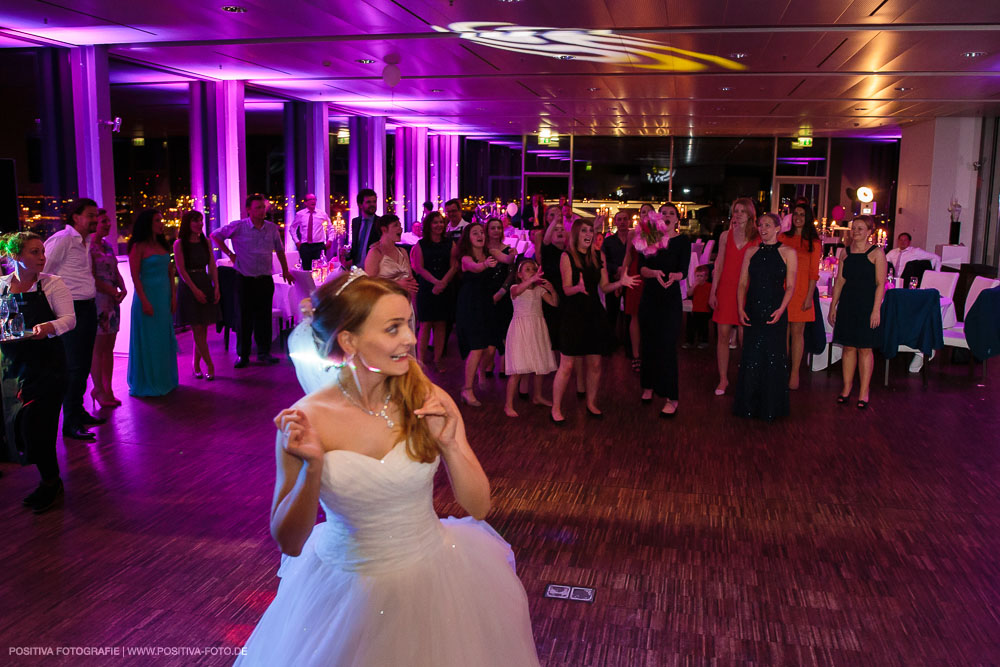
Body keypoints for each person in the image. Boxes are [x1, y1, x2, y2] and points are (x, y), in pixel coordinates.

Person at [236, 271, 540, 667]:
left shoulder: (427, 396)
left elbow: (479, 507)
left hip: (432, 576)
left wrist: (449, 445)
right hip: (342, 587)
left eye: (409, 325)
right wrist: (312, 469)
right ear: (349, 340)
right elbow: (289, 541)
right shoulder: (305, 421)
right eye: (394, 328)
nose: (411, 339)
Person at [0, 232, 75, 513]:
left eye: (42, 251)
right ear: (16, 256)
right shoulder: (2, 286)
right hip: (12, 366)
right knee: (20, 427)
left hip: (47, 366)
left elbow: (70, 319)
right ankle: (47, 481)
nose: (42, 257)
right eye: (34, 252)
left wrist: (48, 328)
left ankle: (51, 482)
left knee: (39, 427)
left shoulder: (52, 284)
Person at [550, 219, 637, 424]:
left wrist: (620, 283)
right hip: (573, 313)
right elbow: (566, 289)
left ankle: (591, 403)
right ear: (576, 234)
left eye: (591, 231)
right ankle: (555, 408)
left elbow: (605, 286)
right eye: (584, 231)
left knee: (596, 364)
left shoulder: (599, 256)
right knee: (567, 364)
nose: (589, 234)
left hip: (594, 313)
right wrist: (577, 289)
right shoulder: (567, 256)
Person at [43, 198, 105, 441]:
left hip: (86, 307)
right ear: (75, 217)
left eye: (95, 216)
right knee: (73, 366)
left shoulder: (84, 241)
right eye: (90, 215)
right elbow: (42, 271)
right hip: (71, 308)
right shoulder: (62, 240)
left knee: (82, 364)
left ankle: (78, 413)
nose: (94, 220)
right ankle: (70, 423)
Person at [211, 194, 293, 368]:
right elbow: (215, 235)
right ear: (248, 210)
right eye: (258, 208)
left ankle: (264, 352)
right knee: (244, 318)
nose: (262, 211)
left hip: (264, 278)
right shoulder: (239, 227)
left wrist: (285, 269)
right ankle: (243, 355)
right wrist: (231, 254)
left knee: (264, 317)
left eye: (263, 207)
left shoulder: (271, 228)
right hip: (244, 279)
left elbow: (279, 249)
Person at [733, 213, 798, 421]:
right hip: (753, 308)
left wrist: (781, 309)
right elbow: (742, 283)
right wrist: (740, 307)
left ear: (778, 228)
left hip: (775, 310)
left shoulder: (788, 252)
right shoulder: (751, 251)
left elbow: (791, 286)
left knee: (773, 357)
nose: (763, 229)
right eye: (761, 225)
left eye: (768, 225)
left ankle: (771, 407)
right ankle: (749, 405)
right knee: (751, 357)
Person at [636, 205, 690, 417]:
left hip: (670, 298)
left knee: (667, 347)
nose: (667, 216)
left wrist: (673, 276)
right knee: (648, 343)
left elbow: (683, 271)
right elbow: (641, 268)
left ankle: (671, 397)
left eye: (671, 214)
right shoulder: (650, 238)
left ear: (677, 219)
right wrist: (653, 272)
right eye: (664, 213)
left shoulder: (682, 241)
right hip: (650, 296)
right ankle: (648, 386)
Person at [828, 215, 887, 409]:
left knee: (865, 348)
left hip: (867, 305)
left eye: (861, 229)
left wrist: (876, 310)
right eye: (854, 228)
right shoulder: (845, 253)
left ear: (869, 232)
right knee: (848, 347)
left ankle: (864, 391)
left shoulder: (877, 253)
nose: (856, 232)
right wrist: (833, 306)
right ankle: (846, 388)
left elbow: (881, 284)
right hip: (848, 304)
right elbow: (840, 282)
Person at [709, 198, 759, 396]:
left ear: (750, 214)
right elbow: (719, 264)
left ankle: (745, 376)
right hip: (726, 288)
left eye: (742, 211)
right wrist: (713, 291)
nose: (737, 214)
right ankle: (723, 378)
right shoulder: (725, 236)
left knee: (744, 336)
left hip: (747, 290)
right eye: (735, 210)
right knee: (722, 335)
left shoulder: (758, 237)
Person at [127, 209, 178, 397]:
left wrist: (173, 296)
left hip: (163, 296)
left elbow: (170, 272)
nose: (161, 223)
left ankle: (165, 378)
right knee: (149, 340)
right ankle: (149, 381)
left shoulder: (163, 244)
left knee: (163, 339)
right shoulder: (138, 246)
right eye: (157, 220)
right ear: (148, 223)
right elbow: (135, 276)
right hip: (146, 297)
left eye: (161, 220)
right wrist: (144, 301)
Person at [502, 258, 558, 417]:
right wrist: (533, 280)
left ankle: (538, 396)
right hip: (521, 329)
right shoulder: (515, 287)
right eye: (527, 269)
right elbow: (516, 292)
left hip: (537, 327)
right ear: (519, 274)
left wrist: (552, 290)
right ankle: (508, 404)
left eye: (534, 269)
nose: (532, 272)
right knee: (518, 369)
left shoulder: (539, 290)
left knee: (540, 366)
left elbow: (554, 303)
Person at [454, 223, 500, 407]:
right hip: (470, 304)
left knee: (491, 348)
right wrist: (485, 264)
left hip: (486, 303)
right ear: (468, 238)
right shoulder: (466, 258)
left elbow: (506, 259)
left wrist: (512, 254)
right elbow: (475, 268)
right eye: (475, 233)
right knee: (477, 348)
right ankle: (467, 389)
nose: (480, 235)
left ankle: (481, 371)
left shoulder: (490, 253)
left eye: (481, 232)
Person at [174, 210, 221, 380]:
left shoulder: (205, 242)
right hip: (189, 286)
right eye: (195, 221)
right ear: (188, 223)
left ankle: (195, 364)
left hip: (204, 281)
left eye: (201, 220)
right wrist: (194, 290)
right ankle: (210, 364)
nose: (199, 223)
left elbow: (212, 265)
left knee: (202, 328)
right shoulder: (179, 243)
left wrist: (216, 287)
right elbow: (181, 270)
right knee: (197, 327)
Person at [780, 202, 822, 390]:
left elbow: (814, 273)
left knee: (797, 333)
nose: (798, 217)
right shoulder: (782, 238)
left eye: (802, 214)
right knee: (782, 333)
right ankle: (780, 369)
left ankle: (794, 372)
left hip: (802, 290)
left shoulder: (814, 242)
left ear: (808, 218)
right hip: (781, 290)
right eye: (795, 214)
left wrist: (809, 296)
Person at [410, 211, 457, 372]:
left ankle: (438, 359)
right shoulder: (420, 244)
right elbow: (419, 268)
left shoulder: (450, 243)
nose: (439, 225)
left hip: (445, 286)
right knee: (425, 324)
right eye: (435, 222)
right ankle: (420, 360)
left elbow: (454, 265)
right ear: (429, 225)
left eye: (441, 222)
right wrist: (436, 282)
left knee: (441, 324)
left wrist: (443, 282)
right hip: (427, 287)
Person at [89, 208, 126, 408]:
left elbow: (115, 269)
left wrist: (123, 287)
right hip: (99, 300)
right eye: (104, 221)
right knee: (98, 347)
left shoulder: (108, 246)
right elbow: (92, 277)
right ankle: (98, 389)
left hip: (112, 299)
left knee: (109, 347)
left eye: (109, 221)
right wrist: (112, 291)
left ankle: (108, 388)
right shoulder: (89, 249)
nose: (108, 224)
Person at [480, 217, 516, 377]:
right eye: (493, 228)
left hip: (503, 294)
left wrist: (502, 291)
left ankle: (503, 366)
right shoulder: (482, 250)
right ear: (487, 230)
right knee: (488, 331)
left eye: (499, 228)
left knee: (504, 331)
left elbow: (511, 273)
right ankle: (488, 364)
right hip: (486, 294)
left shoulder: (508, 250)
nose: (496, 231)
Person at [622, 204, 654, 371]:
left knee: (651, 317)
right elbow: (628, 255)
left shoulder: (658, 233)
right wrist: (623, 277)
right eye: (643, 212)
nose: (646, 214)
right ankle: (636, 355)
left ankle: (650, 355)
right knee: (634, 315)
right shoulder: (633, 233)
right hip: (635, 275)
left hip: (652, 276)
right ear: (640, 215)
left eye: (649, 212)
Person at [363, 214, 418, 295]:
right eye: (396, 225)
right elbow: (370, 283)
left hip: (404, 300)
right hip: (385, 300)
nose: (401, 228)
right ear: (384, 229)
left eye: (400, 225)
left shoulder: (403, 252)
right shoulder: (375, 253)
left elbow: (411, 280)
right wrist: (396, 284)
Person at [601, 210, 631, 342]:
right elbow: (603, 261)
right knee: (612, 312)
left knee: (630, 313)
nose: (623, 222)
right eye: (620, 219)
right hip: (613, 279)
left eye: (625, 219)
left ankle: (628, 340)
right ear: (615, 222)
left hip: (631, 279)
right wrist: (617, 269)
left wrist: (625, 269)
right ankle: (610, 342)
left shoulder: (635, 239)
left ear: (629, 221)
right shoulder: (609, 241)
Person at [288, 193, 331, 270]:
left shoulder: (322, 214)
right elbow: (292, 228)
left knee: (320, 269)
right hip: (305, 247)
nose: (313, 201)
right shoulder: (300, 214)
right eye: (310, 199)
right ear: (305, 202)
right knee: (306, 271)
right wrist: (297, 241)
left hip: (319, 246)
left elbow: (331, 228)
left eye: (314, 199)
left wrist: (330, 240)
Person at [344, 188, 381, 269]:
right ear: (360, 205)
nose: (372, 204)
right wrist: (347, 256)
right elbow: (356, 245)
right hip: (356, 269)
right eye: (368, 202)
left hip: (373, 268)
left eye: (374, 201)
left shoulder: (381, 223)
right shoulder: (355, 222)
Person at [684, 265, 713, 349]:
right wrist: (693, 286)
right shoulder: (695, 286)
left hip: (705, 310)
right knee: (691, 325)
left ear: (706, 277)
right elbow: (689, 294)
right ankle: (689, 341)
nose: (699, 278)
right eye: (697, 276)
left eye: (701, 276)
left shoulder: (709, 286)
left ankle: (704, 341)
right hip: (695, 310)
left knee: (703, 326)